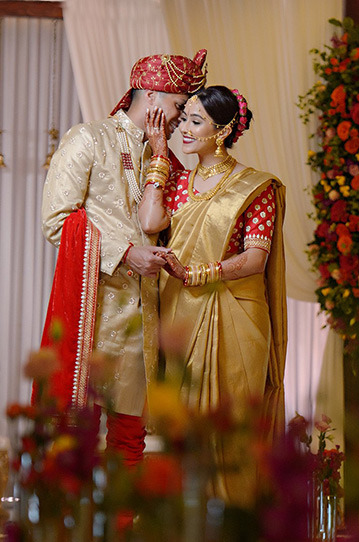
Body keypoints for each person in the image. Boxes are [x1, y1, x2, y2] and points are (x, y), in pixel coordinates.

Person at [39, 49, 207, 468]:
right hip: (92, 318)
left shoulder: (162, 156)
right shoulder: (88, 139)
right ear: (151, 98)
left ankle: (123, 530)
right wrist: (128, 255)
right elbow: (57, 222)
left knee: (130, 440)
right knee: (76, 439)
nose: (181, 121)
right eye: (178, 108)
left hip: (146, 319)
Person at [138, 85, 287, 504]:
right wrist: (159, 156)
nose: (181, 127)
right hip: (180, 316)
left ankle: (237, 519)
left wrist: (197, 273)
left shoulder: (255, 187)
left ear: (221, 132)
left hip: (237, 317)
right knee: (183, 425)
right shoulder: (178, 181)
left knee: (233, 425)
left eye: (194, 121)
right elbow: (151, 221)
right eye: (183, 117)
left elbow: (256, 258)